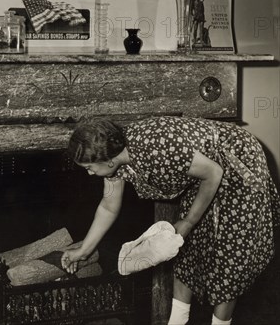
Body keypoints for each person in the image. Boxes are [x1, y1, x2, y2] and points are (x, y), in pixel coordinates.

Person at [61, 116, 280, 325]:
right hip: (208, 169)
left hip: (237, 161)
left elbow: (214, 172)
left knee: (229, 257)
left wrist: (189, 221)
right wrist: (83, 251)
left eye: (89, 168)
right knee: (184, 247)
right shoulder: (116, 160)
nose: (89, 174)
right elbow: (109, 207)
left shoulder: (154, 147)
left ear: (107, 161)